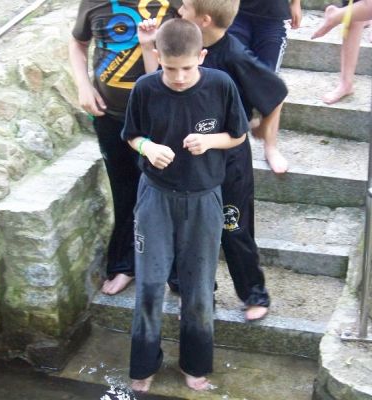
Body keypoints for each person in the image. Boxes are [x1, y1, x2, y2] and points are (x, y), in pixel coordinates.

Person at [138, 0, 289, 321]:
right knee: (184, 227)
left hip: (228, 161)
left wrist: (263, 130)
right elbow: (157, 84)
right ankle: (187, 287)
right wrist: (149, 47)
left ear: (204, 20)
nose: (179, 10)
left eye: (186, 7)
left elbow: (275, 91)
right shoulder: (182, 47)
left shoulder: (233, 55)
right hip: (185, 159)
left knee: (234, 226)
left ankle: (253, 292)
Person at [122, 18, 248, 392]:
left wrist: (210, 142)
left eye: (187, 68)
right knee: (149, 286)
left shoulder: (221, 85)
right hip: (155, 198)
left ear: (202, 57)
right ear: (158, 57)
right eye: (170, 68)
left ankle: (195, 364)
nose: (178, 77)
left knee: (198, 289)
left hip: (204, 198)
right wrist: (148, 147)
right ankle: (144, 364)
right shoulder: (145, 88)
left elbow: (238, 135)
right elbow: (131, 135)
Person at [69, 0, 179, 295]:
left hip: (163, 117)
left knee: (171, 192)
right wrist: (83, 85)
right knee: (124, 190)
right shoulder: (93, 3)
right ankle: (126, 264)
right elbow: (78, 43)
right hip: (111, 117)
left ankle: (180, 274)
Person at [225, 0, 301, 174]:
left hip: (273, 17)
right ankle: (231, 133)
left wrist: (295, 4)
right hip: (236, 12)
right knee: (231, 73)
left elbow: (272, 85)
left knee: (270, 79)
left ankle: (270, 146)